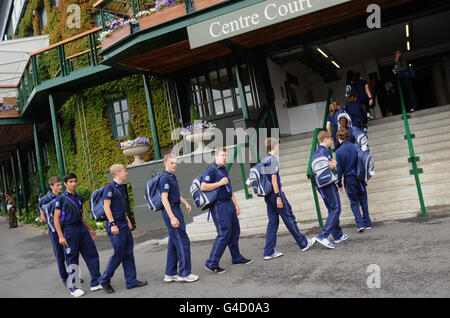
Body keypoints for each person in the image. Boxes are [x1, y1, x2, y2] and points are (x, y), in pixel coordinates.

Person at [262, 137, 316, 260]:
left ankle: (268, 251)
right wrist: (278, 197)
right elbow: (274, 180)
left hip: (267, 195)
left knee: (272, 223)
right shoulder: (273, 160)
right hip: (275, 194)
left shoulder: (264, 160)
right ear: (275, 147)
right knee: (289, 217)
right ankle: (304, 243)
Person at [202, 148, 253, 274]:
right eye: (222, 155)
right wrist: (219, 183)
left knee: (235, 231)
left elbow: (229, 190)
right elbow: (203, 186)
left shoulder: (223, 170)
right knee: (224, 233)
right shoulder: (211, 170)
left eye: (226, 155)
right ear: (216, 157)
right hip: (219, 205)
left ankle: (236, 257)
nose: (225, 158)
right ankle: (211, 262)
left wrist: (236, 205)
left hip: (229, 203)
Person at [99, 164, 148, 293]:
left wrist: (128, 220)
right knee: (119, 253)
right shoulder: (109, 187)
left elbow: (120, 206)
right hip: (116, 225)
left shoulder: (121, 188)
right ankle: (104, 280)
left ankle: (131, 280)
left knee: (128, 252)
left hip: (123, 224)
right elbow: (106, 207)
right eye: (125, 171)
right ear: (117, 173)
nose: (126, 173)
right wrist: (113, 224)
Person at [53, 173, 102, 297]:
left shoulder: (79, 197)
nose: (73, 183)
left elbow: (81, 215)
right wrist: (60, 236)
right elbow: (56, 218)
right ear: (65, 184)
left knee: (92, 254)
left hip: (82, 230)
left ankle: (96, 282)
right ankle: (74, 288)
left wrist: (89, 228)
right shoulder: (61, 199)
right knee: (72, 259)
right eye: (70, 181)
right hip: (69, 231)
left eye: (75, 181)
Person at [159, 154, 199, 283]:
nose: (174, 165)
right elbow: (164, 199)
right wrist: (172, 217)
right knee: (183, 242)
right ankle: (184, 273)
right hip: (171, 210)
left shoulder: (171, 177)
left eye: (175, 163)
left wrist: (185, 202)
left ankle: (170, 273)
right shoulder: (165, 178)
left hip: (175, 208)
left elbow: (175, 194)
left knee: (173, 244)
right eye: (171, 163)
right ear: (165, 163)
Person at [313, 131, 348, 248]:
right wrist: (333, 164)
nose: (332, 141)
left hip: (320, 184)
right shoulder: (325, 151)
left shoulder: (315, 153)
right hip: (328, 183)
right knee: (336, 208)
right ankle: (323, 235)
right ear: (325, 139)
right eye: (330, 139)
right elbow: (333, 164)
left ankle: (338, 235)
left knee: (332, 209)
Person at [335, 129, 372, 232]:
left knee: (354, 202)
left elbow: (339, 170)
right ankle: (368, 223)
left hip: (349, 179)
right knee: (363, 199)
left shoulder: (338, 152)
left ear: (339, 138)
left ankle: (360, 224)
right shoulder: (355, 146)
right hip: (360, 177)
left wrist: (339, 183)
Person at [38, 177, 69, 286]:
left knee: (70, 252)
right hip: (55, 230)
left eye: (61, 184)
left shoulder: (64, 196)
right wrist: (56, 219)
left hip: (67, 228)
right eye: (57, 185)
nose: (60, 187)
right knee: (59, 254)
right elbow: (43, 218)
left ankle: (72, 275)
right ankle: (64, 278)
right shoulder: (44, 200)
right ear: (51, 186)